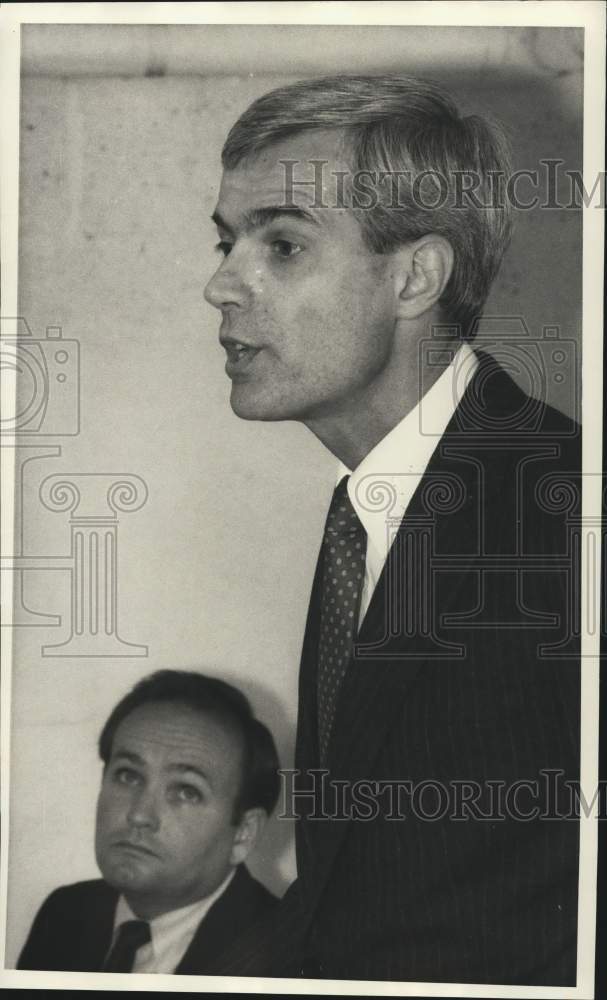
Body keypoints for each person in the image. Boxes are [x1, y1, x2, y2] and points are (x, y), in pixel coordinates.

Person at [203, 75, 581, 985]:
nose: (219, 285)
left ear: (415, 275)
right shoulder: (360, 512)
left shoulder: (568, 510)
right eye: (225, 241)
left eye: (281, 244)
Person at [17, 670, 280, 974]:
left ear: (243, 835)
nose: (139, 815)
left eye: (186, 791)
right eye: (128, 776)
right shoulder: (66, 912)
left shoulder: (290, 956)